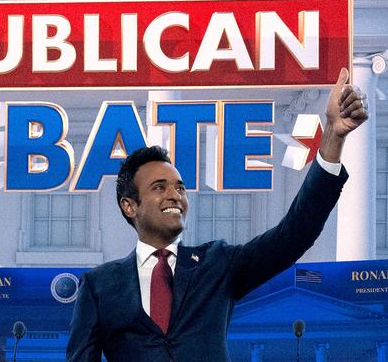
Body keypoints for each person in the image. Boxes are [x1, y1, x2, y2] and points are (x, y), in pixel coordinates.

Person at [66, 68, 369, 362]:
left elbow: (294, 233)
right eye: (160, 187)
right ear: (129, 206)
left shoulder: (217, 264)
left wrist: (333, 135)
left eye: (180, 188)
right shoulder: (99, 286)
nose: (175, 195)